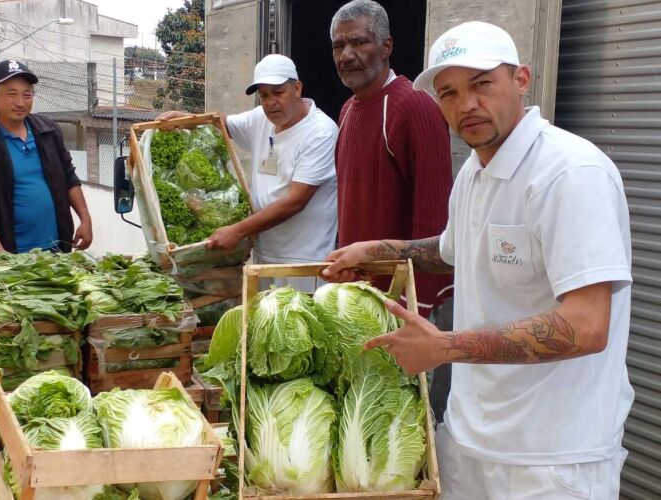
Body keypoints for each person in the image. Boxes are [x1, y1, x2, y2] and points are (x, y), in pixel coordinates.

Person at [324, 21, 633, 499]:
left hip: (550, 460)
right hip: (469, 442)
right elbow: (450, 252)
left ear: (522, 79)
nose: (465, 105)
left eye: (482, 84)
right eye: (448, 93)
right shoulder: (475, 171)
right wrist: (376, 252)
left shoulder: (571, 174)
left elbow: (588, 324)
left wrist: (447, 346)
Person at [159, 54, 338, 290]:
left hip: (305, 262)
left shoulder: (320, 132)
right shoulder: (261, 119)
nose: (270, 102)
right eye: (263, 95)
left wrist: (237, 230)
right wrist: (186, 118)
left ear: (297, 88)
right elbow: (223, 123)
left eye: (278, 92)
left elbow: (295, 201)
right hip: (265, 255)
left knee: (298, 324)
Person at [330, 0, 453, 318]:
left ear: (386, 47)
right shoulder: (347, 111)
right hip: (360, 295)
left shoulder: (414, 105)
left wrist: (416, 307)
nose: (346, 55)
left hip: (401, 302)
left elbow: (434, 214)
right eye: (339, 45)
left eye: (358, 42)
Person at [0, 59, 92, 253]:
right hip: (11, 256)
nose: (20, 103)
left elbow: (69, 177)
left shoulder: (48, 132)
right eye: (11, 94)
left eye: (27, 95)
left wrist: (85, 219)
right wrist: (1, 258)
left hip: (57, 250)